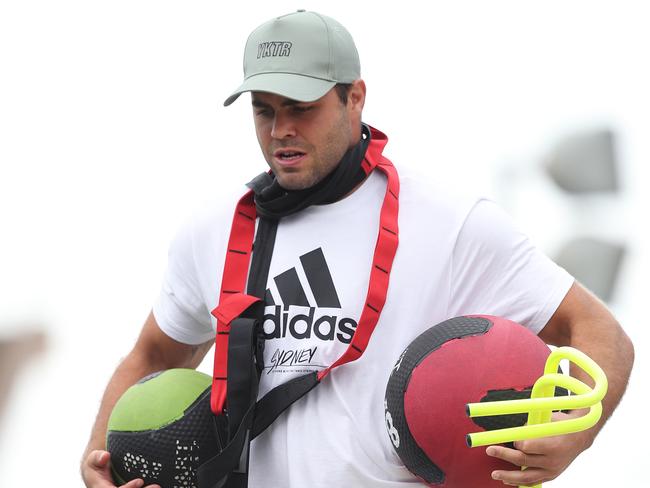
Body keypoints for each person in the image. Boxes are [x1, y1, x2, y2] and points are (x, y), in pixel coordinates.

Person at [81, 10, 634, 488]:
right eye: (264, 110)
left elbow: (598, 332)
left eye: (301, 106)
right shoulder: (213, 227)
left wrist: (574, 434)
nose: (281, 130)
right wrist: (98, 461)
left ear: (356, 97)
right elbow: (152, 355)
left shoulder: (451, 220)